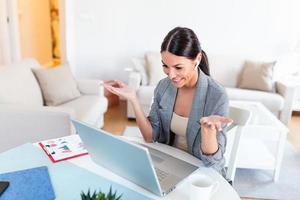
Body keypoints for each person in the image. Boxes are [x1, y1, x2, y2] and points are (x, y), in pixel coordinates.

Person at [104, 27, 233, 173]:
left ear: (197, 59)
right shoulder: (163, 87)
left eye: (178, 67)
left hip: (201, 171)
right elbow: (150, 137)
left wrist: (208, 131)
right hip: (168, 163)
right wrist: (134, 99)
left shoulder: (216, 95)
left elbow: (213, 161)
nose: (171, 75)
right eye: (165, 66)